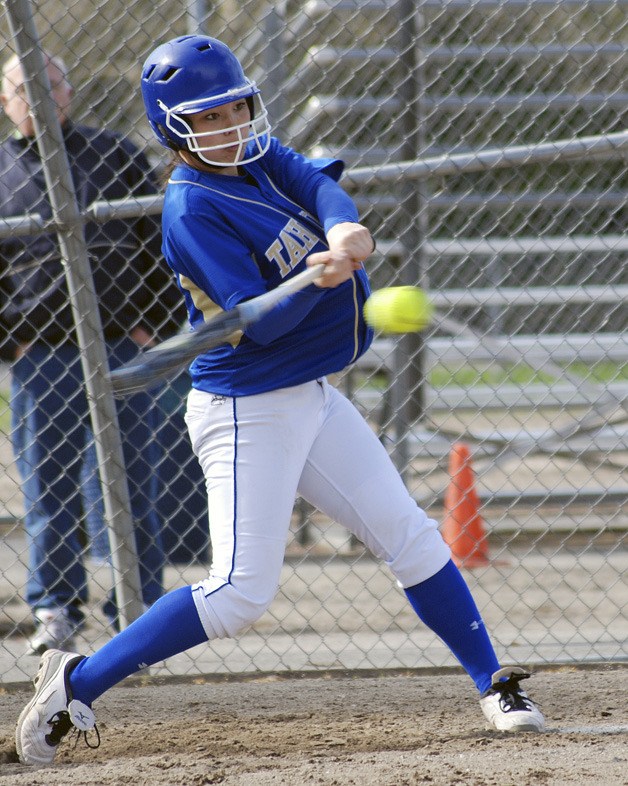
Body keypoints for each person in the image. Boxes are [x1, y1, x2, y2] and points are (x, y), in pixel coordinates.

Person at [15, 34, 545, 766]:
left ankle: (493, 682)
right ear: (175, 128)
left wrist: (342, 226)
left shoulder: (256, 157)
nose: (232, 123)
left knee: (412, 536)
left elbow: (317, 183)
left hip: (312, 396)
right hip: (248, 408)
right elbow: (258, 325)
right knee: (238, 594)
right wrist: (312, 283)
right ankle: (77, 680)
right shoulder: (191, 209)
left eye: (237, 106)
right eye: (210, 116)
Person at [0, 52, 187, 655]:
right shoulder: (1, 170)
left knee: (131, 484)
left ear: (69, 93)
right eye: (24, 89)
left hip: (120, 344)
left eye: (50, 84)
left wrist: (152, 325)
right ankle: (55, 607)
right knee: (48, 488)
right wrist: (11, 340)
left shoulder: (115, 155)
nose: (39, 96)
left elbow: (159, 241)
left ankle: (138, 609)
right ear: (5, 101)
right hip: (42, 353)